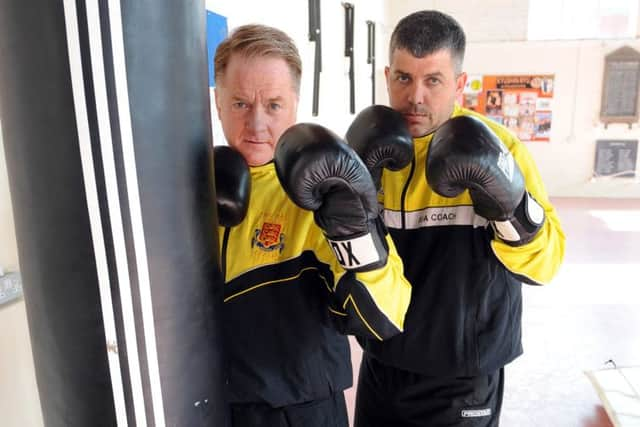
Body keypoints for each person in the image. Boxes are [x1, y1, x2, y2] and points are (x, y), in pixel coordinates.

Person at [347, 11, 566, 427]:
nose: (416, 97)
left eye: (433, 80)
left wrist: (510, 209)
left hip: (461, 376)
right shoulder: (371, 147)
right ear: (387, 76)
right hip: (382, 363)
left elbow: (547, 263)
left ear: (460, 84)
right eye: (404, 79)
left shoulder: (499, 147)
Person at [212, 24, 412, 427]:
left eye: (272, 105)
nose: (256, 124)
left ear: (295, 105)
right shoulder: (192, 182)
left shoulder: (318, 190)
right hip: (212, 405)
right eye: (239, 104)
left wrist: (354, 231)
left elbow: (386, 317)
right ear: (217, 101)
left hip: (300, 413)